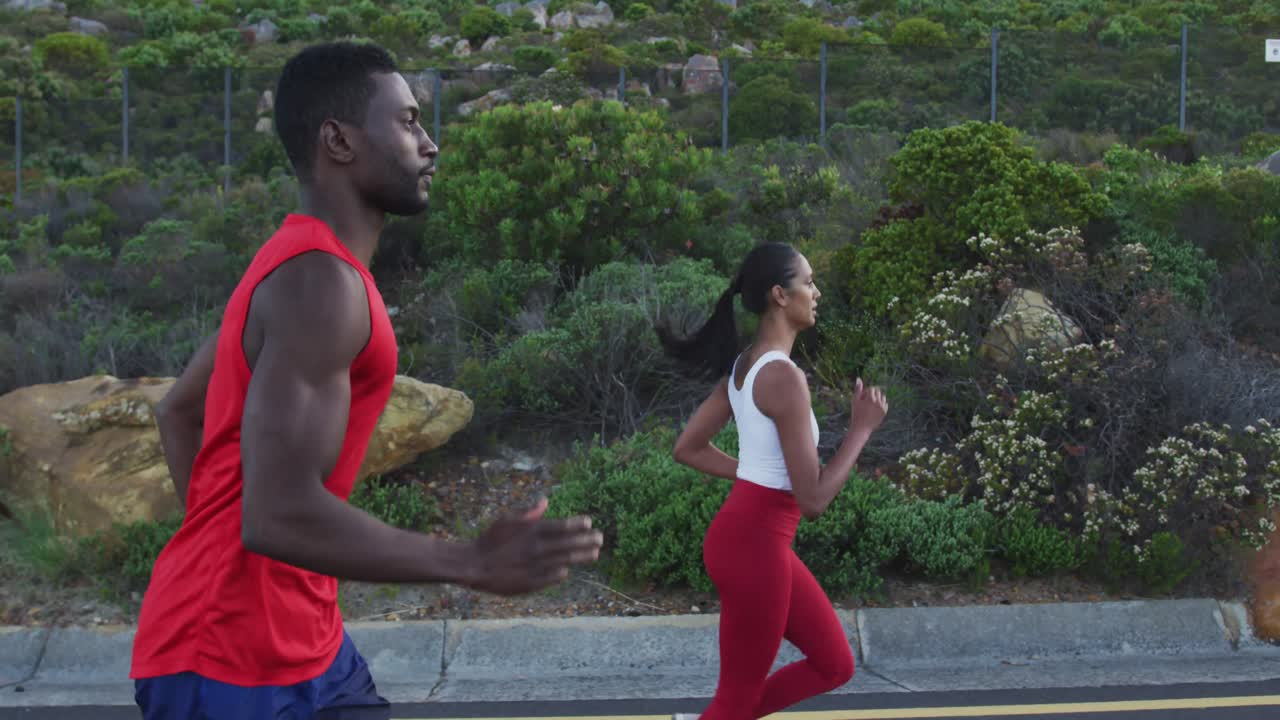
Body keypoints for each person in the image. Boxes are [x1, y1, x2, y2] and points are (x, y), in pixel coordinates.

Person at [129, 41, 604, 720]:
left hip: (309, 644)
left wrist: (221, 545)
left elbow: (180, 411)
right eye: (409, 122)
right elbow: (275, 512)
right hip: (229, 664)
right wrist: (467, 559)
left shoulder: (297, 264)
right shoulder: (317, 282)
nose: (430, 144)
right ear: (339, 142)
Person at [658, 242, 889, 720]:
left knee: (834, 664)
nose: (816, 291)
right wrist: (861, 430)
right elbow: (814, 499)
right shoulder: (783, 377)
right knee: (735, 702)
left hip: (750, 539)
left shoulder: (745, 366)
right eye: (808, 281)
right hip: (754, 547)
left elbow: (688, 449)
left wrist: (750, 478)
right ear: (780, 296)